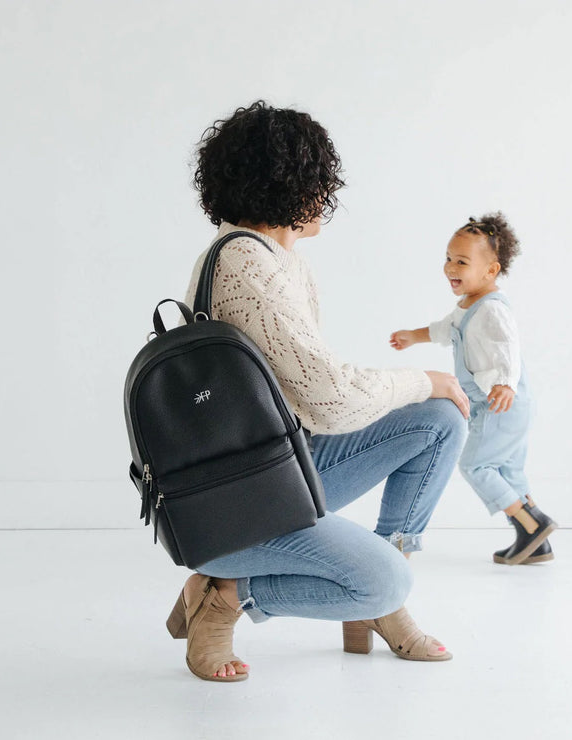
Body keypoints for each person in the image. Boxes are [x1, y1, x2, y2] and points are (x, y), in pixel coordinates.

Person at [171, 101, 470, 682]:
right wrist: (420, 377)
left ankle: (381, 605)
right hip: (232, 506)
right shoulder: (244, 266)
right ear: (294, 186)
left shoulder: (275, 258)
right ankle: (227, 593)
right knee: (384, 578)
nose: (325, 200)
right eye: (320, 183)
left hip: (276, 470)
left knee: (440, 417)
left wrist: (426, 392)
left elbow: (311, 401)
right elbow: (331, 401)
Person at [389, 213, 557, 566]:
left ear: (490, 271)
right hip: (503, 403)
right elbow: (441, 330)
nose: (451, 267)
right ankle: (535, 543)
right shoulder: (466, 307)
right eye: (448, 259)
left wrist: (505, 384)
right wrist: (412, 337)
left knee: (475, 465)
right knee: (509, 472)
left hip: (501, 401)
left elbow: (509, 347)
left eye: (462, 261)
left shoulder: (492, 309)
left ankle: (533, 523)